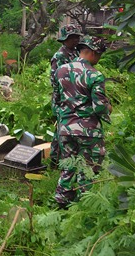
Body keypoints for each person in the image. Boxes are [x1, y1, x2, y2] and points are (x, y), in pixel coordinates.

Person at [54, 35, 112, 208]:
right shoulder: (95, 75)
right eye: (99, 56)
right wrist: (108, 109)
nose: (98, 60)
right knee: (89, 167)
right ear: (93, 53)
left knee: (68, 165)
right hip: (87, 130)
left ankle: (61, 201)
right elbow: (99, 106)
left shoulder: (61, 70)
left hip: (65, 128)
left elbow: (57, 99)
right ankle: (84, 204)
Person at [49, 24, 84, 167]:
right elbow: (55, 80)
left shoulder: (77, 54)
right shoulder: (59, 56)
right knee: (61, 131)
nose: (75, 40)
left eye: (77, 37)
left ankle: (70, 159)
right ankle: (55, 160)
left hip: (76, 98)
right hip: (63, 99)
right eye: (72, 37)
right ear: (65, 39)